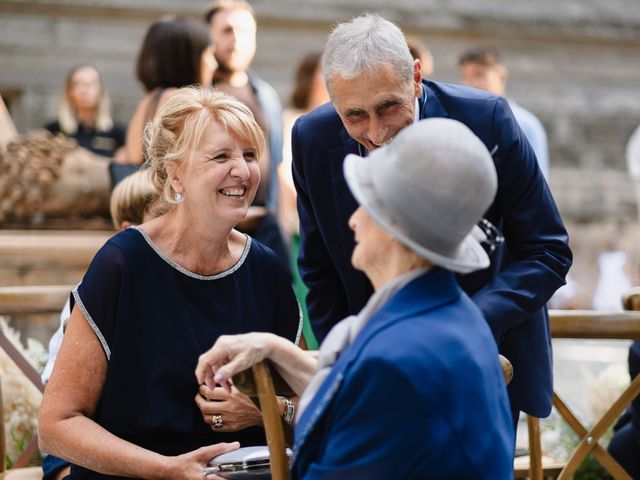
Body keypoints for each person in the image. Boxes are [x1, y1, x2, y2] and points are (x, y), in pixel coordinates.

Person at [292, 13, 572, 426]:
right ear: (333, 103)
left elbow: (547, 249)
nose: (376, 132)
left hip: (483, 361)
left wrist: (462, 328)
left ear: (416, 77)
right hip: (373, 369)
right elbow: (319, 270)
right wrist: (350, 362)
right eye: (354, 116)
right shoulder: (312, 138)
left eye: (388, 106)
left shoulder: (488, 120)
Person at [197, 118, 515, 478]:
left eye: (366, 205)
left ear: (395, 227)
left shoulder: (394, 360)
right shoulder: (455, 316)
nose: (353, 220)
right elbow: (353, 393)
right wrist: (273, 347)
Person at [39, 87, 302, 479]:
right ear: (175, 172)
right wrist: (168, 470)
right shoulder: (123, 263)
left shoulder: (267, 270)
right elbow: (57, 425)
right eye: (221, 156)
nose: (243, 170)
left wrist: (268, 410)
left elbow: (312, 400)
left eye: (249, 155)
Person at [40, 169, 169, 480]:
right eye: (163, 218)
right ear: (128, 230)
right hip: (84, 446)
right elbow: (62, 402)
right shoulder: (99, 292)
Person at [205, 0, 289, 270]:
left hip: (264, 229)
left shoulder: (265, 95)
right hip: (213, 232)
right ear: (210, 36)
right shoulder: (198, 92)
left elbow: (276, 164)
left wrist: (282, 222)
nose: (236, 40)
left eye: (243, 32)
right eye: (227, 30)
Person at [122, 17, 217, 168]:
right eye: (209, 54)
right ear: (186, 60)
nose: (214, 64)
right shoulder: (183, 104)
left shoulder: (149, 101)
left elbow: (131, 158)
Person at [458, 46, 550, 179]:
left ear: (501, 76)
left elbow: (539, 182)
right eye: (465, 76)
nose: (470, 84)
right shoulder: (461, 121)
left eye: (479, 74)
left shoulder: (526, 124)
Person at [46, 64, 126, 159]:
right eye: (77, 84)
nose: (84, 90)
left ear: (101, 90)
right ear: (69, 92)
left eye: (91, 83)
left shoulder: (117, 133)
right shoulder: (54, 131)